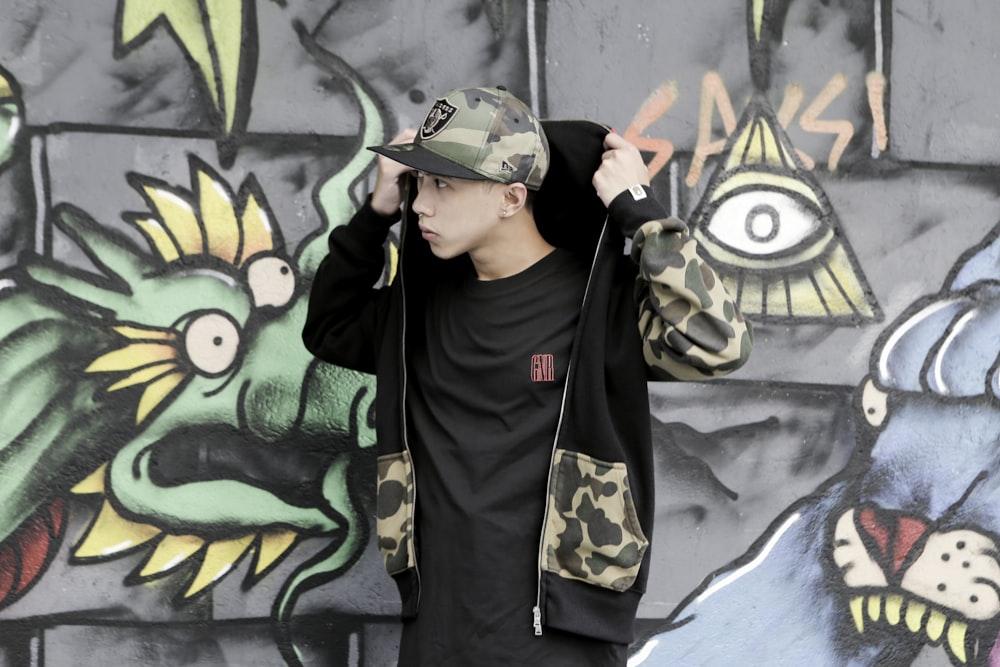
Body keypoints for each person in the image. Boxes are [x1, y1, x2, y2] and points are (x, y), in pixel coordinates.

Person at [303, 86, 752, 666]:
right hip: (437, 633)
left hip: (559, 636)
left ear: (512, 197)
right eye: (420, 183)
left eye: (445, 185)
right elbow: (329, 326)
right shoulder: (417, 310)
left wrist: (640, 212)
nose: (421, 205)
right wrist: (376, 213)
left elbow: (719, 344)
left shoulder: (599, 305)